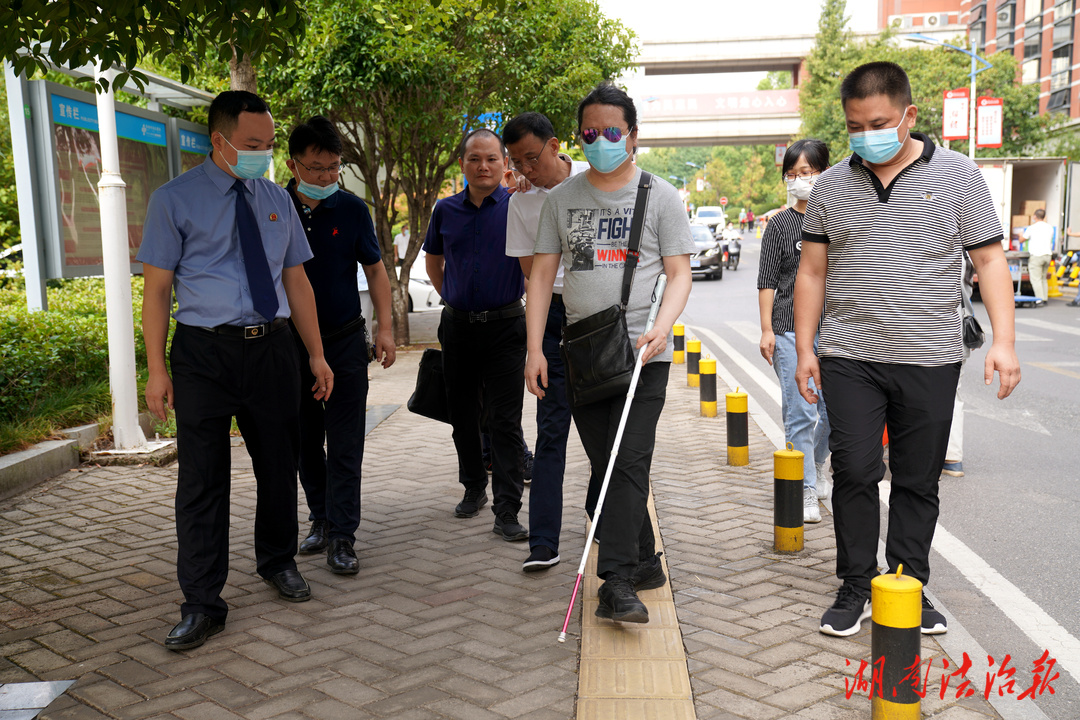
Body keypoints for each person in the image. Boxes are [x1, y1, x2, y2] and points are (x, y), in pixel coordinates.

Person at [794, 62, 1020, 639]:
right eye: (853, 125)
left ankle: (908, 584)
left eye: (878, 123)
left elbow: (989, 259)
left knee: (918, 479)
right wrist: (805, 349)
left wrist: (1004, 341)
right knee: (854, 471)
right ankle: (855, 584)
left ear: (909, 116)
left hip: (930, 356)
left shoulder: (960, 178)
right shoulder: (831, 186)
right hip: (850, 355)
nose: (865, 134)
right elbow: (813, 272)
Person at [139, 91, 334, 651]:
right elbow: (156, 291)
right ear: (217, 141)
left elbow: (297, 281)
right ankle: (202, 602)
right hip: (204, 354)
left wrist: (316, 354)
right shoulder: (173, 201)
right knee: (202, 478)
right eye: (252, 146)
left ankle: (277, 562)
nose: (262, 155)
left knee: (279, 464)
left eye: (268, 145)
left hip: (272, 350)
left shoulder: (277, 198)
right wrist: (156, 370)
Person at [527, 82, 694, 623]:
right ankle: (643, 559)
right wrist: (535, 349)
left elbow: (679, 273)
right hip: (582, 354)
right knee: (610, 464)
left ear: (633, 136)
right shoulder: (561, 199)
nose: (601, 141)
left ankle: (615, 582)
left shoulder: (661, 196)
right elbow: (542, 278)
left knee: (628, 461)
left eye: (612, 132)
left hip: (644, 356)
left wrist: (662, 329)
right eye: (590, 133)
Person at [284, 117, 396, 575]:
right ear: (292, 165)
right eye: (316, 169)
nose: (328, 177)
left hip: (346, 341)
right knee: (305, 439)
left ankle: (343, 537)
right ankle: (320, 517)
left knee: (345, 440)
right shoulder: (273, 207)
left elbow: (375, 271)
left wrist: (385, 328)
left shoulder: (351, 209)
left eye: (334, 167)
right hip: (290, 346)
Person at [424, 128, 529, 541]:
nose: (483, 166)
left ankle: (507, 510)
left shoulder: (519, 206)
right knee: (463, 415)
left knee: (505, 421)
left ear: (504, 164)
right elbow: (434, 262)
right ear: (463, 164)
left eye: (491, 159)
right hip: (458, 327)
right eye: (474, 159)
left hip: (506, 327)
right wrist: (451, 295)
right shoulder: (445, 211)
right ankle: (473, 488)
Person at [502, 111, 591, 573]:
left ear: (555, 146)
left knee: (604, 428)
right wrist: (535, 345)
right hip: (551, 315)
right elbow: (529, 276)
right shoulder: (521, 203)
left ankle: (603, 515)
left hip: (597, 316)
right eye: (516, 163)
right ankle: (543, 542)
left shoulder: (592, 183)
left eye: (532, 159)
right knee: (551, 429)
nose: (526, 171)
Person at [757, 139, 832, 525]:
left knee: (836, 411)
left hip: (835, 330)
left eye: (807, 173)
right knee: (800, 412)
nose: (800, 180)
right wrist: (767, 329)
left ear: (824, 172)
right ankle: (802, 487)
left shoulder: (839, 220)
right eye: (792, 174)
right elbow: (767, 280)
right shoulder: (780, 225)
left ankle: (818, 463)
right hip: (787, 329)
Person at [942, 253, 975, 478]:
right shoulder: (966, 253)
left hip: (931, 330)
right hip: (958, 328)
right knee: (953, 393)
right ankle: (952, 457)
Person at [1022, 208, 1055, 302]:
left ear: (1035, 216)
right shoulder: (1050, 227)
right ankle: (1045, 298)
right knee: (1043, 278)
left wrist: (1020, 234)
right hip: (1047, 255)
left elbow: (1022, 239)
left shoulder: (1032, 228)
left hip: (1037, 255)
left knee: (1036, 279)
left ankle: (1039, 299)